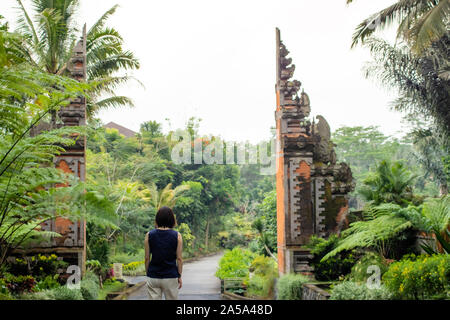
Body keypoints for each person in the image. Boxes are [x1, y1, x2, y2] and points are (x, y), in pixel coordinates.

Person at [144, 206, 183, 300]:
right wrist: (179, 275)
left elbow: (147, 258)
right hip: (171, 276)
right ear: (172, 219)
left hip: (153, 276)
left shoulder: (149, 235)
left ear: (157, 219)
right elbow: (179, 259)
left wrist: (148, 273)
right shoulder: (177, 235)